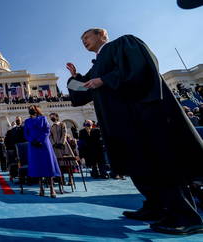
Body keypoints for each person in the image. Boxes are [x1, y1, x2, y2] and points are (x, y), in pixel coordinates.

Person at [66, 28, 203, 234]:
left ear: (102, 35)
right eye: (81, 39)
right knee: (140, 165)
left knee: (161, 162)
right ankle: (155, 206)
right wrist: (75, 77)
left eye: (87, 36)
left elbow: (143, 68)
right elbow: (82, 95)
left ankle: (185, 215)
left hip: (143, 115)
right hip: (122, 123)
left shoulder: (124, 43)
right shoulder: (97, 66)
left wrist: (105, 80)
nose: (84, 41)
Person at [24, 105, 61, 198]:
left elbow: (47, 130)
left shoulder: (43, 118)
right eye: (30, 109)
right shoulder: (27, 121)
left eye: (32, 109)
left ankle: (52, 188)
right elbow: (26, 134)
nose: (31, 110)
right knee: (38, 166)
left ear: (36, 110)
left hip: (44, 144)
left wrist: (40, 140)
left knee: (48, 164)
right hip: (33, 145)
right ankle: (41, 188)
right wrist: (33, 141)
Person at [49, 113, 77, 183]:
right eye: (50, 117)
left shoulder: (62, 124)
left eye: (52, 116)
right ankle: (61, 179)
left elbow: (64, 133)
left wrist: (61, 143)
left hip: (63, 146)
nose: (51, 117)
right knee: (59, 163)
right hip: (55, 147)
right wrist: (54, 144)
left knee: (68, 163)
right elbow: (50, 136)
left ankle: (71, 179)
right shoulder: (51, 126)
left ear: (56, 117)